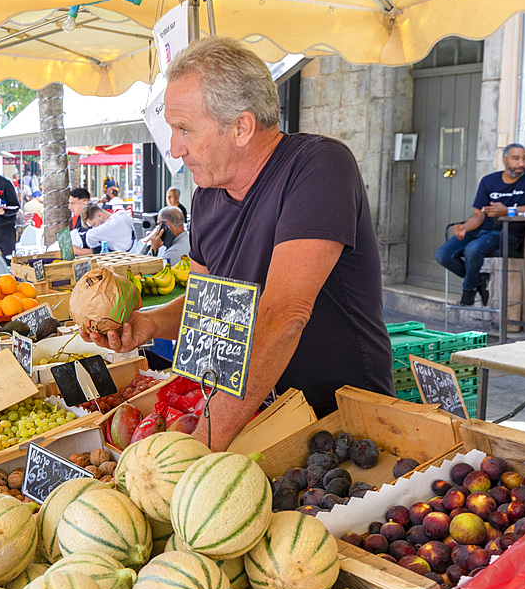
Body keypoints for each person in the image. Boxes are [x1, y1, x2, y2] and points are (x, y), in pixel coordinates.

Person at [83, 37, 394, 450]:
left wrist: (203, 446)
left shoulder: (319, 168)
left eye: (185, 129)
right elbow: (205, 304)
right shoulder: (207, 194)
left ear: (242, 127)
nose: (176, 149)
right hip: (254, 416)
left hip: (340, 421)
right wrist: (151, 324)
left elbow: (284, 315)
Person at [435, 143, 525, 306]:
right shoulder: (489, 181)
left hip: (509, 234)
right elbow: (477, 215)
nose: (521, 164)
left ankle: (468, 291)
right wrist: (464, 227)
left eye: (524, 158)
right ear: (504, 161)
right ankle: (478, 280)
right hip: (482, 230)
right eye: (516, 158)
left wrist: (508, 210)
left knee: (472, 249)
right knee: (443, 254)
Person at [68, 187, 95, 256]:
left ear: (84, 203)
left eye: (73, 203)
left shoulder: (95, 220)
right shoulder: (80, 218)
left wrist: (76, 250)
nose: (69, 207)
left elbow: (104, 250)